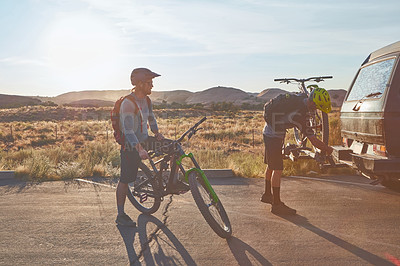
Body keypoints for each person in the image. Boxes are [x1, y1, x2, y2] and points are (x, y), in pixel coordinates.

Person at [115, 68, 188, 227]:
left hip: (146, 139)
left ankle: (173, 182)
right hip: (130, 144)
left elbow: (151, 118)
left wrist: (157, 133)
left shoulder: (146, 101)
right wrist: (139, 149)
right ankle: (120, 215)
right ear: (140, 84)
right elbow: (127, 131)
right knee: (125, 180)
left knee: (175, 147)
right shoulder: (128, 103)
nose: (152, 86)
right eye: (149, 83)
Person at [261, 88, 334, 215]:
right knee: (277, 169)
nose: (316, 110)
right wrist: (328, 149)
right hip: (274, 136)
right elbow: (313, 140)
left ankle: (267, 195)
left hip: (268, 132)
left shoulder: (300, 98)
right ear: (313, 103)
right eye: (317, 107)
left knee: (271, 166)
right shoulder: (301, 114)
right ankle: (276, 205)